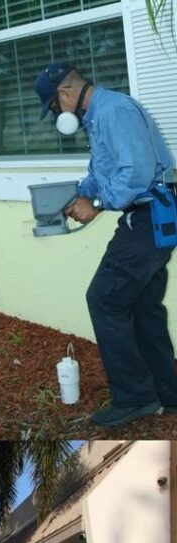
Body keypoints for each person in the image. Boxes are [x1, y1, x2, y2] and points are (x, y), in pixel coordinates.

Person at [33, 62, 177, 428]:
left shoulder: (114, 111)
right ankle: (168, 392)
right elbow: (101, 173)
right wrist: (78, 195)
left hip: (149, 218)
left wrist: (96, 206)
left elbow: (138, 172)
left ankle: (136, 397)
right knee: (144, 307)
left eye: (53, 107)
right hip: (147, 217)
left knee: (104, 299)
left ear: (65, 94)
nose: (56, 115)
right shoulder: (98, 117)